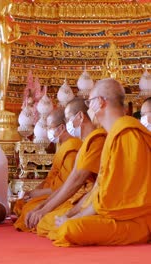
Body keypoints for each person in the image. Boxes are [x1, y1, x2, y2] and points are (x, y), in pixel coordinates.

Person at [53, 78, 151, 246]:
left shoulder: (127, 134)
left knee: (68, 229)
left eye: (89, 102)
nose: (88, 107)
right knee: (59, 225)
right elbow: (101, 188)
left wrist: (75, 218)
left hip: (135, 220)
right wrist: (72, 214)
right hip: (113, 214)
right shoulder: (114, 134)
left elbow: (110, 197)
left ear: (99, 102)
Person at [31, 98, 107, 235]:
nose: (67, 124)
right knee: (44, 220)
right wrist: (44, 206)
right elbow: (71, 180)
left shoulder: (97, 140)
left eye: (68, 119)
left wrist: (70, 213)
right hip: (86, 198)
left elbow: (77, 181)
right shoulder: (86, 143)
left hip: (95, 201)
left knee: (50, 222)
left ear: (80, 116)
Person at [13, 108, 82, 231]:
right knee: (23, 204)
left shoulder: (72, 148)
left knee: (31, 209)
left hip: (65, 197)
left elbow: (69, 186)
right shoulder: (63, 147)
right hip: (53, 194)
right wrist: (36, 190)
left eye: (50, 127)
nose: (48, 131)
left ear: (61, 128)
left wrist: (39, 194)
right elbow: (51, 178)